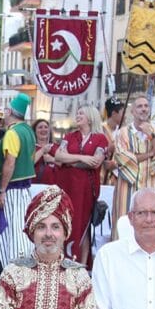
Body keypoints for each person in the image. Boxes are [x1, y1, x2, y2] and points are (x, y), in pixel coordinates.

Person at [48, 106, 108, 262]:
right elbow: (59, 156)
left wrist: (70, 161)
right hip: (67, 186)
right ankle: (62, 259)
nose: (78, 115)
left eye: (81, 113)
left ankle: (81, 264)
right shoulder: (70, 136)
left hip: (87, 188)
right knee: (65, 222)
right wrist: (82, 158)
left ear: (90, 117)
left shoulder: (100, 138)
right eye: (78, 113)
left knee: (83, 226)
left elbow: (95, 162)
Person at [0, 93, 39, 265]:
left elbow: (10, 163)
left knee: (12, 234)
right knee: (21, 230)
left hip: (11, 192)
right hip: (25, 192)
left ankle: (12, 271)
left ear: (10, 111)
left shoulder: (13, 133)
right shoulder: (29, 132)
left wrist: (2, 190)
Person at [109, 94, 155, 235]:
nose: (143, 109)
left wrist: (152, 137)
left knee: (150, 224)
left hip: (150, 185)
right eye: (139, 106)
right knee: (123, 226)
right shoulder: (122, 133)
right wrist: (150, 154)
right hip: (127, 188)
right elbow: (124, 159)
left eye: (146, 106)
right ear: (132, 111)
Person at [31, 119, 57, 184]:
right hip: (33, 185)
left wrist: (52, 159)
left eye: (46, 127)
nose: (43, 129)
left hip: (53, 187)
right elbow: (28, 163)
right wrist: (42, 150)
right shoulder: (30, 147)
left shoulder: (56, 147)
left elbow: (63, 163)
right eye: (40, 127)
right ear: (34, 131)